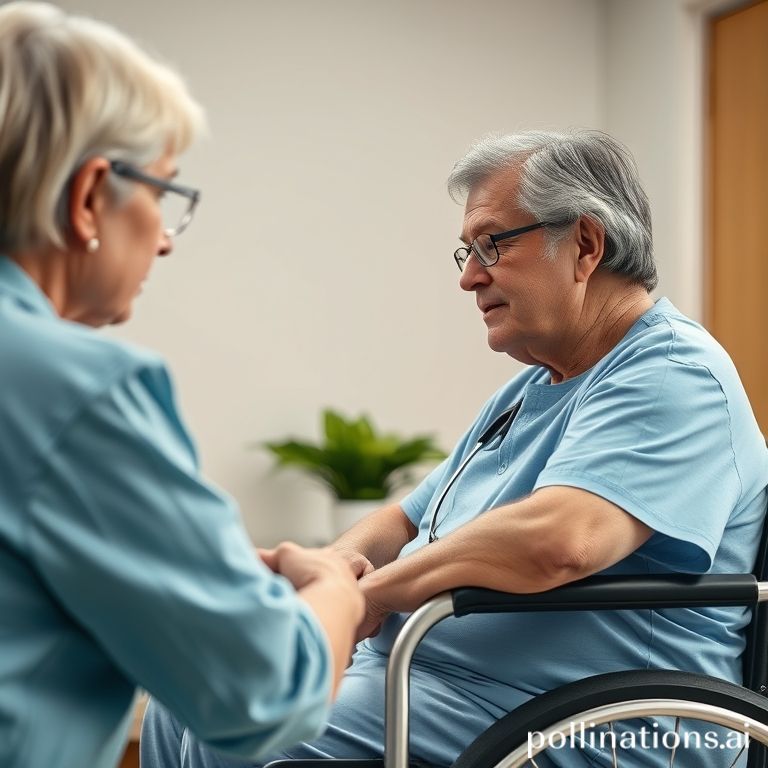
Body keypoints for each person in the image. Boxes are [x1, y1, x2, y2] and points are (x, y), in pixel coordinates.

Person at [142, 129, 768, 768]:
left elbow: (563, 540)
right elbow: (406, 519)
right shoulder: (534, 386)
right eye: (465, 251)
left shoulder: (672, 372)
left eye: (492, 244)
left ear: (584, 244)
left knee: (253, 728)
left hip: (580, 722)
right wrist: (322, 575)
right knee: (185, 694)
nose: (470, 277)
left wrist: (369, 596)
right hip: (448, 690)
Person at [0, 4, 365, 768]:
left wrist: (199, 560)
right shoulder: (76, 390)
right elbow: (263, 691)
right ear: (92, 195)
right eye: (163, 192)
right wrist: (334, 587)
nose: (164, 237)